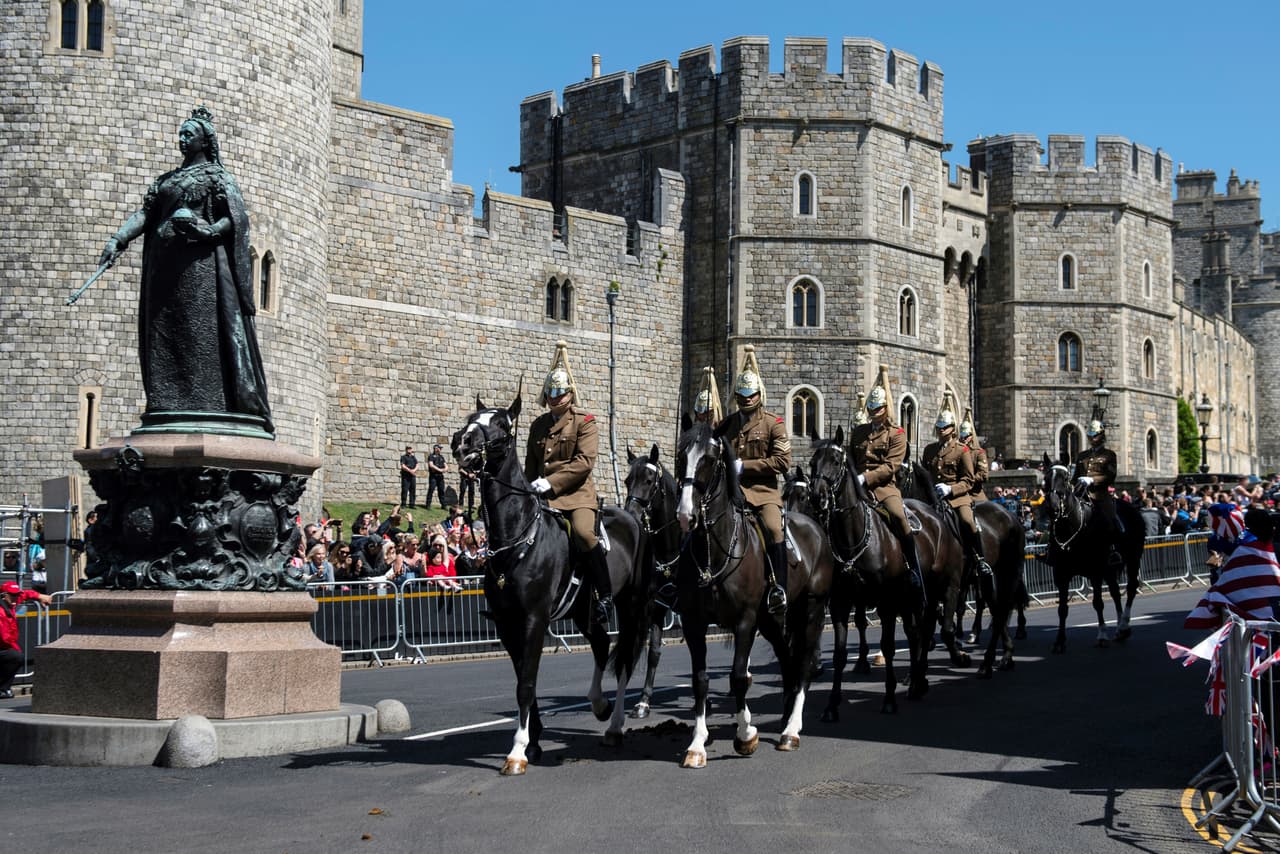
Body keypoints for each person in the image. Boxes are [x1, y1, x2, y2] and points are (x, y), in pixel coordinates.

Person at [95, 106, 272, 433]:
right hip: (163, 272)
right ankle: (168, 402)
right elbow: (146, 215)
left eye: (188, 134)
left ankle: (207, 403)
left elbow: (235, 218)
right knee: (166, 333)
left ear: (204, 141)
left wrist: (208, 230)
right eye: (180, 133)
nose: (182, 138)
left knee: (198, 332)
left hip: (200, 271)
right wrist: (118, 239)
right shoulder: (166, 181)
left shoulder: (216, 177)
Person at [524, 340, 612, 625]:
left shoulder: (585, 421)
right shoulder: (538, 425)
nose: (554, 397)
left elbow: (584, 463)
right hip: (541, 496)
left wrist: (551, 483)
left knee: (585, 535)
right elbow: (530, 466)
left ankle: (605, 593)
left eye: (560, 393)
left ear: (570, 394)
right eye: (550, 393)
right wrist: (528, 489)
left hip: (575, 496)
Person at [718, 345, 791, 617]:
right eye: (742, 395)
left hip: (762, 493)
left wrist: (743, 465)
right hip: (731, 493)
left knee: (773, 528)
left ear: (760, 395)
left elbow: (782, 462)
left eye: (751, 395)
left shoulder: (774, 423)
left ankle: (779, 589)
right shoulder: (728, 423)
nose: (747, 399)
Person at [849, 368, 924, 597]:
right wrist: (853, 477)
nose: (873, 413)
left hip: (884, 488)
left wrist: (866, 477)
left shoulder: (897, 433)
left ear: (885, 409)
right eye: (870, 409)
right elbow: (851, 458)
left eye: (877, 409)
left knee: (899, 517)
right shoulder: (859, 432)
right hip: (857, 487)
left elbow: (892, 466)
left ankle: (913, 568)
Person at [923, 399, 988, 576]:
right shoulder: (929, 450)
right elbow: (926, 473)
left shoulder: (962, 450)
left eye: (945, 427)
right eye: (939, 426)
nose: (941, 430)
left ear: (953, 429)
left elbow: (968, 480)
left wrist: (950, 489)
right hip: (934, 497)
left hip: (957, 498)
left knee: (968, 521)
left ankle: (980, 559)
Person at [1, 581, 52, 699]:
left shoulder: (10, 603)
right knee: (15, 656)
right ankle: (2, 689)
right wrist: (17, 650)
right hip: (3, 645)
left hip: (4, 647)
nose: (16, 598)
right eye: (12, 595)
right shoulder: (1, 612)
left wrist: (39, 596)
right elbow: (5, 638)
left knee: (14, 656)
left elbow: (24, 594)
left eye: (16, 595)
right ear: (4, 595)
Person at [1073, 419, 1122, 537]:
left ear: (1101, 435)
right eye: (1089, 436)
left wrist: (1092, 480)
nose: (1091, 438)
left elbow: (1110, 476)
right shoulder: (1082, 455)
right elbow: (1074, 477)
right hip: (1080, 495)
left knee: (1109, 519)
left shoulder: (1109, 455)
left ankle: (1113, 548)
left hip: (1099, 496)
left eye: (1094, 435)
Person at [958, 410, 988, 503]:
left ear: (971, 436)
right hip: (957, 492)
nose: (963, 439)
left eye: (966, 436)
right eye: (961, 436)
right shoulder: (956, 451)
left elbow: (983, 474)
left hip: (974, 494)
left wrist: (966, 481)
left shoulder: (979, 453)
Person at [425, 444, 448, 510]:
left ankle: (443, 505)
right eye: (439, 448)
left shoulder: (441, 457)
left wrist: (445, 469)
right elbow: (431, 465)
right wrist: (440, 470)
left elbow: (446, 465)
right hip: (433, 476)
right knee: (431, 490)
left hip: (440, 476)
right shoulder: (431, 456)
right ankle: (428, 505)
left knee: (441, 491)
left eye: (440, 448)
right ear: (436, 449)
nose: (440, 449)